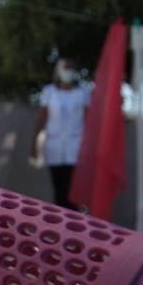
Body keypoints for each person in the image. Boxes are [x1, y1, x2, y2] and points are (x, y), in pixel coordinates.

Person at [31, 58, 91, 209]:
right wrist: (34, 143)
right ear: (59, 71)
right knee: (59, 192)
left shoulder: (82, 92)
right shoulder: (49, 92)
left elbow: (89, 120)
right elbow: (42, 119)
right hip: (54, 147)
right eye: (65, 68)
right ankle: (60, 226)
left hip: (76, 148)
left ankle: (75, 226)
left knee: (74, 193)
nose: (68, 72)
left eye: (71, 69)